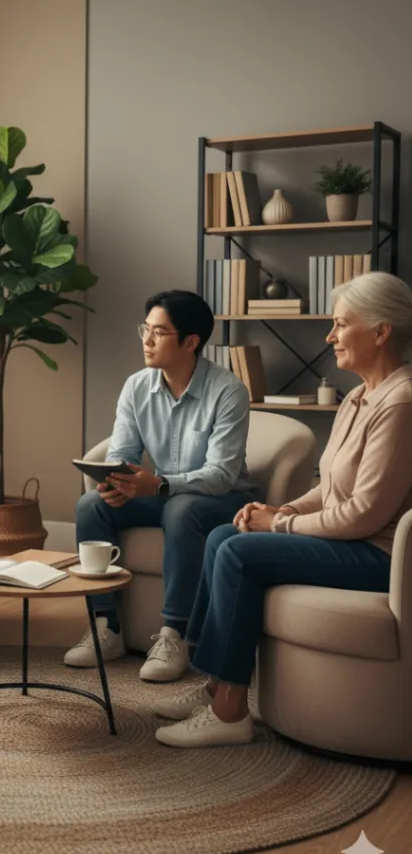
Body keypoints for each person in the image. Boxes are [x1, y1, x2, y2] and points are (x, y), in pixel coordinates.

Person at [154, 272, 412, 748]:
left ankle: (231, 712)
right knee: (222, 537)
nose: (330, 336)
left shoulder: (400, 403)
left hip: (379, 556)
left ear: (380, 332)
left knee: (239, 554)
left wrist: (282, 524)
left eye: (340, 324)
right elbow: (331, 485)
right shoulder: (357, 396)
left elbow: (364, 515)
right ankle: (215, 684)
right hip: (351, 540)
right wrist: (282, 506)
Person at [67, 290, 255, 681]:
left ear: (190, 342)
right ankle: (107, 627)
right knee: (91, 504)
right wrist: (118, 481)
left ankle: (176, 634)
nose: (147, 341)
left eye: (159, 332)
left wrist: (160, 485)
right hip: (163, 494)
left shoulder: (229, 392)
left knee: (181, 507)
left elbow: (220, 474)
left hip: (223, 499)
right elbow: (123, 452)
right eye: (145, 330)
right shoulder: (137, 386)